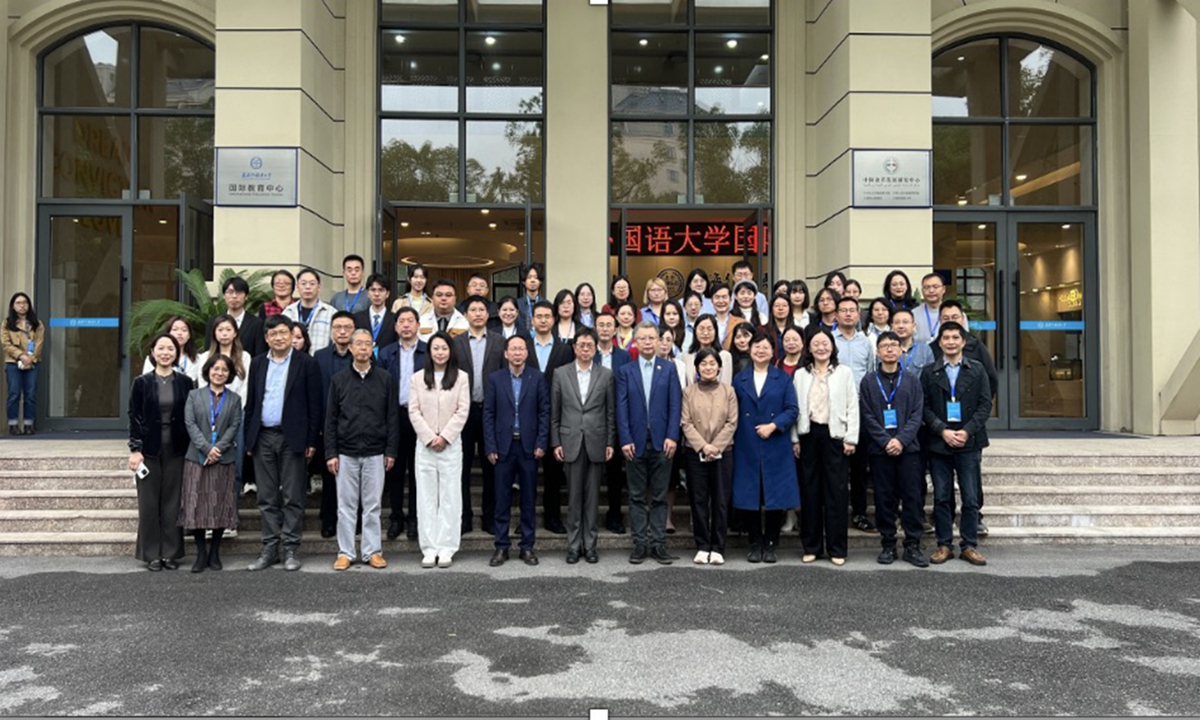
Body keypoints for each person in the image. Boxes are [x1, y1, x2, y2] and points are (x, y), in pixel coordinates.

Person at [243, 315, 323, 572]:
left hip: (293, 438)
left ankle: (290, 548)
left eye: (283, 332)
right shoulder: (257, 364)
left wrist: (312, 439)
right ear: (266, 338)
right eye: (273, 333)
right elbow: (252, 403)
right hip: (263, 436)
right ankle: (269, 548)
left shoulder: (306, 363)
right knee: (266, 496)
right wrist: (249, 437)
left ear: (291, 335)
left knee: (292, 495)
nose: (278, 337)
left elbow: (315, 405)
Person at [325, 329, 400, 571]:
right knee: (345, 505)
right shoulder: (339, 380)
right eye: (359, 344)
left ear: (373, 347)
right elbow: (331, 420)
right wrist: (331, 453)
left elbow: (392, 417)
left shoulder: (385, 378)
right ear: (350, 348)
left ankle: (372, 551)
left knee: (372, 505)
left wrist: (390, 450)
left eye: (368, 344)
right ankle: (346, 552)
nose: (363, 348)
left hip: (375, 451)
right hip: (345, 452)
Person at [922, 322, 991, 567]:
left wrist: (966, 430)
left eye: (955, 337)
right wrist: (942, 430)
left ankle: (969, 545)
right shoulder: (929, 372)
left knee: (970, 497)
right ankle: (944, 545)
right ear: (939, 343)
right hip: (940, 443)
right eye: (946, 338)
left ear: (963, 342)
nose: (950, 342)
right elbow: (925, 408)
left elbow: (985, 405)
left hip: (969, 442)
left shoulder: (977, 369)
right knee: (941, 496)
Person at [616, 321, 682, 565]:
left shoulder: (669, 369)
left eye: (651, 338)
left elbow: (675, 405)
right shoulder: (626, 371)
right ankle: (639, 544)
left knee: (659, 496)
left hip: (662, 442)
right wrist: (625, 439)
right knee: (635, 496)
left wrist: (672, 436)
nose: (646, 342)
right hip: (634, 443)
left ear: (658, 341)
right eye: (641, 338)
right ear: (635, 341)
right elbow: (620, 408)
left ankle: (658, 544)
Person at [860, 331, 928, 567]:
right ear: (877, 352)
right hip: (880, 451)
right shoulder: (868, 381)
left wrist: (900, 440)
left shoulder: (912, 380)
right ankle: (888, 544)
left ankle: (912, 545)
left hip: (908, 450)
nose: (889, 349)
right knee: (884, 499)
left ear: (901, 350)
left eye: (893, 345)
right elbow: (867, 416)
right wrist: (885, 441)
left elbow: (917, 414)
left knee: (911, 498)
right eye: (884, 346)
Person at [791, 327, 858, 566]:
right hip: (808, 435)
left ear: (832, 346)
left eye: (825, 343)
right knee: (809, 493)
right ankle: (812, 547)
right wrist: (795, 439)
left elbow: (852, 405)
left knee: (836, 493)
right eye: (816, 344)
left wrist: (851, 438)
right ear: (809, 348)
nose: (821, 347)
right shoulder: (800, 374)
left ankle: (837, 548)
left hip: (835, 436)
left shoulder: (844, 373)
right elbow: (794, 408)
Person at [128, 333, 195, 571]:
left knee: (173, 502)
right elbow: (134, 418)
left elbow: (191, 417)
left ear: (177, 353)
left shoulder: (186, 382)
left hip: (178, 448)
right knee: (148, 503)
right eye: (161, 348)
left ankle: (171, 553)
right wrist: (135, 449)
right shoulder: (142, 382)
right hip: (149, 450)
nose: (165, 352)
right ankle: (151, 554)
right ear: (153, 352)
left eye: (170, 349)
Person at [730, 330, 799, 563]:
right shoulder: (739, 379)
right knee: (750, 494)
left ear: (773, 352)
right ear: (750, 350)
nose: (761, 350)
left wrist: (773, 425)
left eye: (766, 347)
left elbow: (792, 409)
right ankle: (754, 542)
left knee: (774, 494)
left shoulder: (783, 378)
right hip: (746, 442)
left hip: (775, 442)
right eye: (756, 346)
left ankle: (771, 543)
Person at [551, 328, 615, 564]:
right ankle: (574, 545)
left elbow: (610, 412)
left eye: (590, 345)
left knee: (592, 497)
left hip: (597, 441)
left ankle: (590, 545)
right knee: (574, 496)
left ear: (596, 347)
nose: (586, 349)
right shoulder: (561, 374)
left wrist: (610, 441)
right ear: (574, 347)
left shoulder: (606, 375)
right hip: (570, 441)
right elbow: (555, 413)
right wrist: (555, 441)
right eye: (582, 345)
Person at [408, 331, 471, 568]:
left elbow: (462, 410)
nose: (440, 352)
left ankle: (446, 547)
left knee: (450, 497)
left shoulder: (461, 378)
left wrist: (444, 436)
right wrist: (428, 436)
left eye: (444, 348)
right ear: (429, 351)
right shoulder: (417, 378)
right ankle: (429, 548)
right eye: (436, 348)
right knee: (426, 498)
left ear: (450, 351)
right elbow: (413, 411)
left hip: (451, 445)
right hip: (424, 446)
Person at [484, 334, 549, 567]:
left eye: (522, 349)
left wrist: (542, 442)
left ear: (527, 353)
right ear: (506, 353)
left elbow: (544, 412)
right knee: (501, 499)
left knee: (528, 499)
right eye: (514, 349)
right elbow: (488, 414)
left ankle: (527, 547)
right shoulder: (495, 379)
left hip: (529, 447)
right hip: (503, 447)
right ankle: (501, 547)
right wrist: (490, 445)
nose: (518, 353)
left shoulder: (538, 378)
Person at [181, 353, 242, 573]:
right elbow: (190, 423)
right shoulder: (194, 395)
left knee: (220, 505)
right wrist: (207, 448)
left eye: (224, 370)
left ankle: (215, 552)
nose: (219, 373)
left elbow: (234, 427)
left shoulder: (234, 399)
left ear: (230, 374)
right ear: (208, 371)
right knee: (196, 505)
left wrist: (218, 449)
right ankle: (200, 553)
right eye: (215, 369)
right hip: (196, 458)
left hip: (223, 459)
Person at [452, 296, 506, 535]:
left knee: (491, 467)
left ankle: (489, 517)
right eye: (472, 309)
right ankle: (463, 518)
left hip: (491, 412)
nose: (477, 313)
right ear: (465, 315)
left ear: (488, 314)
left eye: (481, 309)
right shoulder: (456, 343)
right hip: (463, 412)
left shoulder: (499, 342)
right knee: (461, 467)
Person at [680, 347, 737, 565]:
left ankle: (718, 546)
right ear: (697, 368)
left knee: (721, 501)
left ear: (719, 367)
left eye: (712, 364)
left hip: (724, 451)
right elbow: (686, 423)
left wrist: (716, 447)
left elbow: (732, 422)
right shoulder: (689, 392)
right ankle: (703, 545)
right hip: (697, 453)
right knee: (699, 499)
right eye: (703, 364)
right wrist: (704, 447)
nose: (708, 367)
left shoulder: (728, 391)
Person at [377, 307, 427, 541]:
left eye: (410, 321)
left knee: (418, 471)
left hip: (421, 418)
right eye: (401, 322)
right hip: (394, 417)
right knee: (395, 471)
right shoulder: (386, 353)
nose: (406, 325)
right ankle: (396, 517)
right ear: (396, 327)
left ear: (418, 325)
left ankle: (415, 519)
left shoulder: (427, 351)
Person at [525, 300, 574, 535]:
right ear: (532, 320)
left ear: (554, 320)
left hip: (557, 417)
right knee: (527, 472)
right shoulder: (522, 346)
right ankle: (527, 518)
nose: (543, 320)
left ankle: (552, 517)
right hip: (527, 417)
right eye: (539, 316)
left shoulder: (565, 350)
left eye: (547, 316)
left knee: (554, 473)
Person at [833, 295, 877, 533]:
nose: (848, 314)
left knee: (860, 467)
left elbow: (870, 373)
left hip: (860, 409)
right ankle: (837, 512)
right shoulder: (828, 340)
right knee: (837, 467)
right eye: (844, 310)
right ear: (836, 314)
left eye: (853, 310)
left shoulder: (866, 343)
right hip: (835, 410)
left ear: (858, 315)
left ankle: (859, 513)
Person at [313, 311, 358, 538]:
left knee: (355, 478)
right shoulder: (319, 357)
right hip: (327, 426)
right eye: (338, 327)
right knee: (330, 476)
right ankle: (329, 520)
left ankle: (355, 520)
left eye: (347, 327)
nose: (342, 331)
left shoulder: (362, 356)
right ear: (331, 331)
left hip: (356, 427)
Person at [197, 314, 253, 496]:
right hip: (210, 417)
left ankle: (231, 515)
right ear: (214, 333)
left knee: (234, 467)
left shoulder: (244, 357)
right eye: (220, 329)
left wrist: (234, 412)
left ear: (235, 333)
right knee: (210, 465)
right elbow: (201, 386)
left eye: (228, 329)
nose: (224, 334)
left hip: (236, 417)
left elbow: (245, 389)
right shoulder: (205, 357)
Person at [595, 311, 632, 535]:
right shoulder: (589, 353)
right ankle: (589, 516)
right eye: (601, 325)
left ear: (616, 330)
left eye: (610, 325)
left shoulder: (624, 356)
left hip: (616, 420)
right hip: (592, 419)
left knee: (615, 473)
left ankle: (615, 515)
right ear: (596, 329)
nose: (606, 329)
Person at [933, 300, 998, 401]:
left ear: (963, 319)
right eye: (946, 318)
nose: (951, 321)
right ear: (940, 320)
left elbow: (991, 379)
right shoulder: (931, 348)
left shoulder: (976, 346)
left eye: (955, 317)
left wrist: (981, 408)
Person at [3, 293, 42, 435]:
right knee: (14, 393)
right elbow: (6, 344)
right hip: (13, 363)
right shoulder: (7, 323)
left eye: (24, 302)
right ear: (13, 306)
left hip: (32, 363)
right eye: (18, 303)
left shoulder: (36, 323)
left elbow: (39, 343)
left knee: (30, 394)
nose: (22, 305)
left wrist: (30, 358)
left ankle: (28, 424)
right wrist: (20, 355)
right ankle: (13, 424)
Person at [208, 276, 266, 357]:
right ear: (224, 296)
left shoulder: (257, 323)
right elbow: (209, 349)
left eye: (238, 292)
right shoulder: (213, 321)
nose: (234, 296)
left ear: (246, 296)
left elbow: (260, 354)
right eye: (230, 292)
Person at [282, 268, 335, 353]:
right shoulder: (287, 312)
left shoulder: (331, 313)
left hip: (319, 362)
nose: (307, 287)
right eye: (303, 284)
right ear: (297, 287)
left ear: (319, 287)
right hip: (292, 362)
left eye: (312, 284)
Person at [143, 316, 201, 383]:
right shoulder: (153, 358)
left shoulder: (197, 359)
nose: (179, 333)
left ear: (189, 335)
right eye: (175, 329)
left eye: (184, 330)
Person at [681, 314, 733, 386]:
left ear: (716, 331)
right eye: (701, 329)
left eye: (709, 329)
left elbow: (726, 386)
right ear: (695, 331)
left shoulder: (724, 356)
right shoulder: (687, 356)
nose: (705, 333)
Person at [354, 273, 397, 352]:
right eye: (373, 290)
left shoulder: (395, 319)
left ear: (387, 294)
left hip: (387, 362)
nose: (377, 294)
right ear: (367, 293)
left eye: (381, 290)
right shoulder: (357, 318)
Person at [892, 308, 935, 374]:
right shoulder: (886, 350)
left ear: (914, 326)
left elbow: (931, 376)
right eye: (897, 323)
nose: (901, 326)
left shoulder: (925, 349)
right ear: (892, 327)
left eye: (905, 322)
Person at [913, 272, 947, 344]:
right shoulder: (913, 314)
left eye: (935, 287)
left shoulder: (955, 314)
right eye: (927, 287)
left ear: (943, 289)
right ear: (922, 291)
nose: (931, 291)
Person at [710, 282, 745, 349]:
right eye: (717, 297)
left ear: (730, 300)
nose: (721, 301)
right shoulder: (707, 323)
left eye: (724, 297)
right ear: (712, 300)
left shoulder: (741, 323)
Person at [515, 263, 545, 336]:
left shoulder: (546, 304)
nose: (532, 280)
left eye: (536, 277)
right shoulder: (517, 304)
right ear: (524, 282)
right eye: (529, 277)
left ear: (540, 282)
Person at [766, 294, 794, 361]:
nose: (780, 308)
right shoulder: (762, 330)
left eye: (784, 305)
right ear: (771, 309)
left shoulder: (797, 331)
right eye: (777, 306)